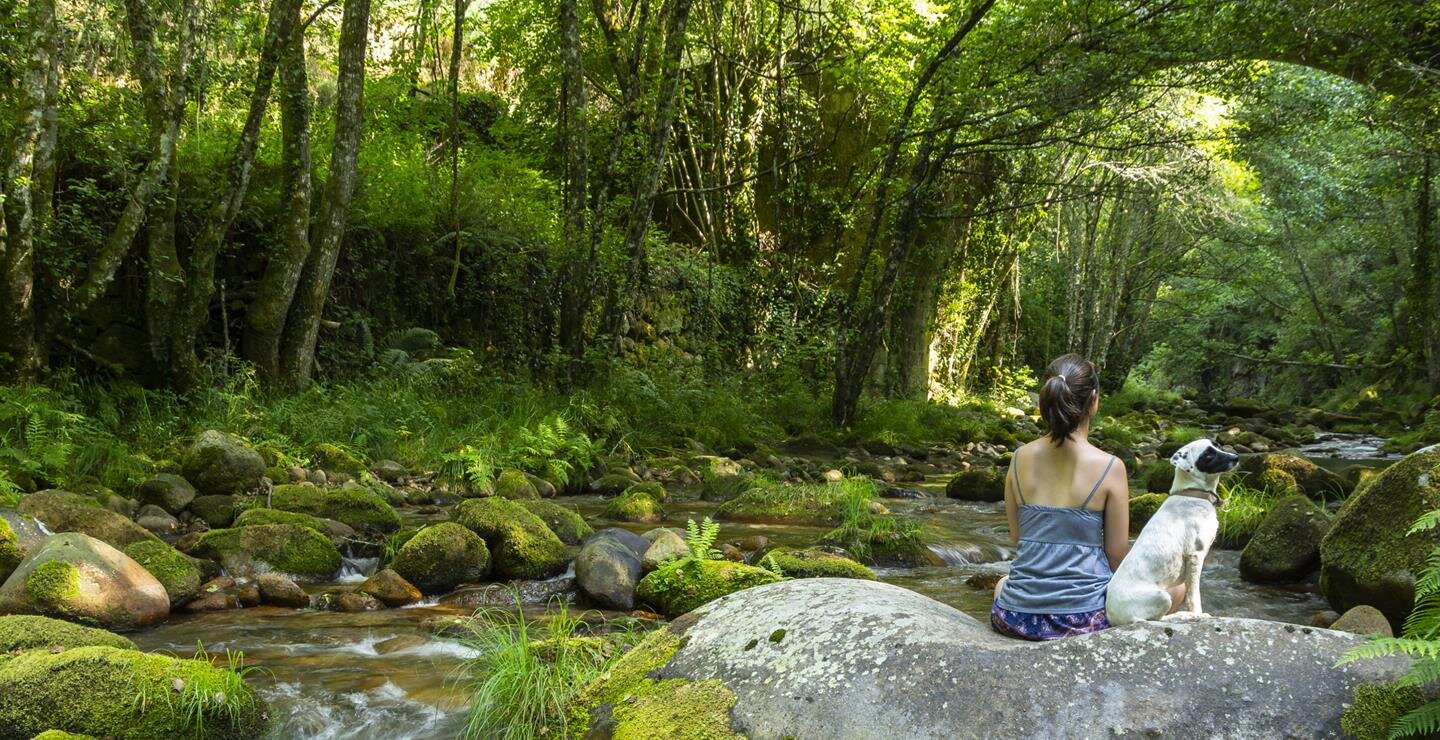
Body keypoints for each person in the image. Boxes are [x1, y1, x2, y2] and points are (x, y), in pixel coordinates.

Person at [989, 353, 1135, 640]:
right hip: (1083, 620)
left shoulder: (1018, 458)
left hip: (1016, 617)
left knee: (1003, 582)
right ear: (1093, 400)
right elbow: (1117, 556)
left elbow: (1019, 539)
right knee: (1176, 588)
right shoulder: (1110, 467)